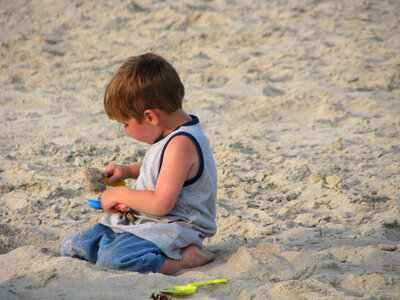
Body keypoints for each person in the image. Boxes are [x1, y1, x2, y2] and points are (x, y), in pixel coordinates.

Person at [61, 53, 217, 275]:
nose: (125, 130)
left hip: (174, 226)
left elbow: (160, 204)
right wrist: (127, 171)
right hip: (148, 221)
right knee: (75, 246)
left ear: (150, 117)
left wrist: (119, 195)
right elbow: (164, 171)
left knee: (114, 259)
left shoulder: (181, 144)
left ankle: (184, 260)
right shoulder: (168, 132)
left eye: (126, 123)